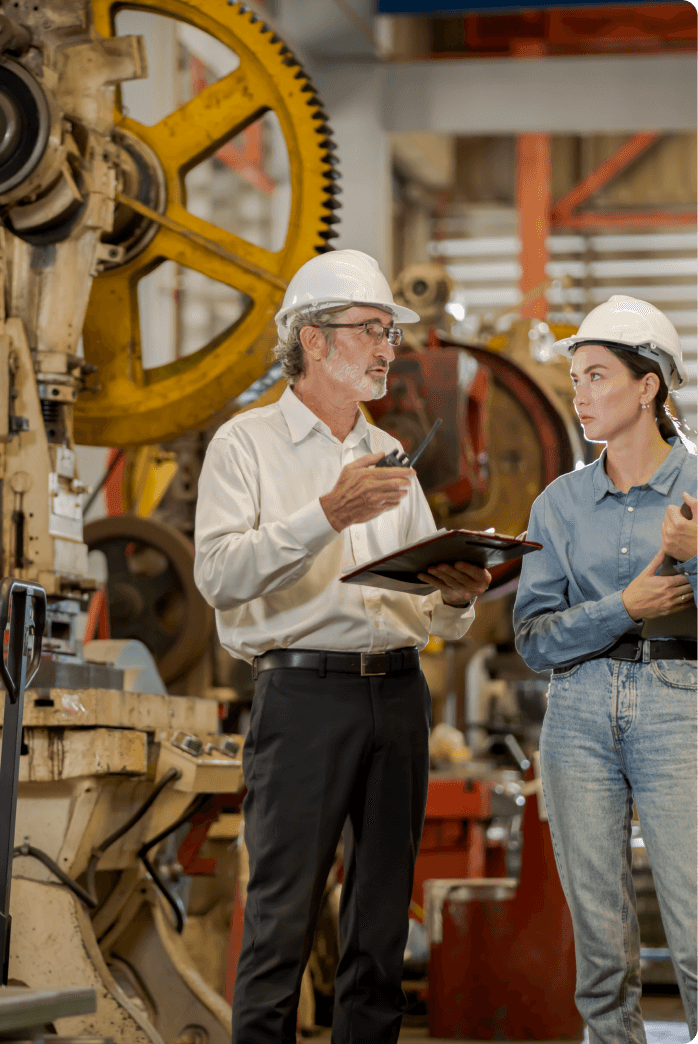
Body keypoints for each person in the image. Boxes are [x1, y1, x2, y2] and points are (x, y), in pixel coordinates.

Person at [193, 249, 491, 1044]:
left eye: (390, 331)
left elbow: (424, 599)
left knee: (380, 920)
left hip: (396, 694)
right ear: (313, 340)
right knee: (281, 916)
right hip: (302, 697)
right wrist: (325, 514)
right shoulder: (244, 445)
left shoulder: (391, 455)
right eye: (370, 330)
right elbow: (219, 576)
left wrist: (457, 599)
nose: (387, 347)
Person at [513, 295, 698, 1044]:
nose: (579, 396)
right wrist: (621, 606)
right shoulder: (558, 503)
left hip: (678, 704)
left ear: (647, 384)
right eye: (575, 381)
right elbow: (533, 640)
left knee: (694, 935)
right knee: (600, 949)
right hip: (578, 713)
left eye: (595, 376)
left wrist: (692, 558)